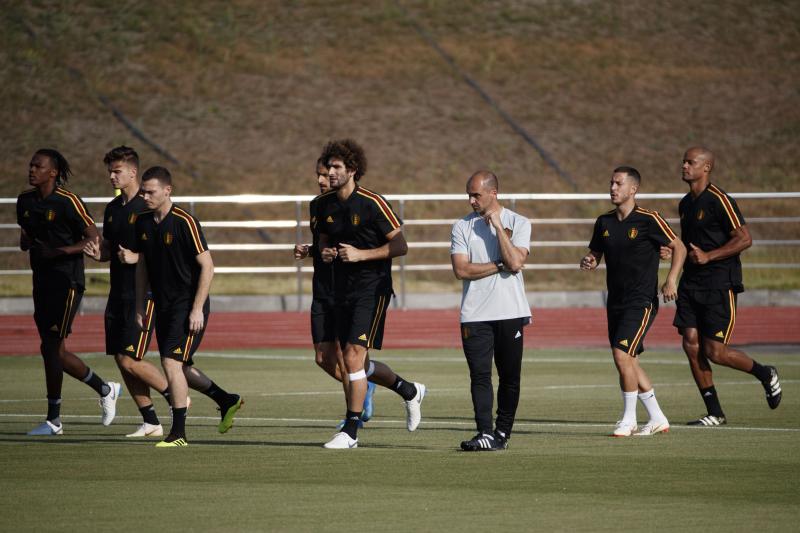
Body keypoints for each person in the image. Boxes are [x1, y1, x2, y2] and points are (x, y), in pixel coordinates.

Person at [315, 139, 425, 449]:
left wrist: (362, 255)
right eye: (329, 167)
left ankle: (350, 431)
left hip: (372, 290)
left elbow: (400, 245)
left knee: (352, 356)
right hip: (339, 291)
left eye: (337, 167)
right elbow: (324, 242)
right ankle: (409, 390)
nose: (331, 172)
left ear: (352, 170)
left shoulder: (372, 202)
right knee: (347, 361)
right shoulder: (325, 205)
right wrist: (322, 252)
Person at [133, 166, 243, 447]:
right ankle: (225, 399)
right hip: (162, 305)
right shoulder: (143, 222)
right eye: (143, 191)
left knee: (170, 362)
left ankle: (178, 433)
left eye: (150, 191)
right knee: (180, 366)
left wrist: (197, 309)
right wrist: (139, 305)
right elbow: (142, 265)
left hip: (188, 305)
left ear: (167, 191)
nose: (144, 196)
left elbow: (208, 266)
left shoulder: (185, 221)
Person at [16, 148, 121, 436]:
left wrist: (60, 251)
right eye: (30, 165)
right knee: (51, 349)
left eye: (38, 166)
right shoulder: (24, 201)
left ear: (52, 172)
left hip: (68, 282)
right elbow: (26, 238)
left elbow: (93, 238)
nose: (31, 170)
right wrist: (28, 242)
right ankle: (104, 388)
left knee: (51, 346)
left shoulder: (69, 201)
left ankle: (54, 420)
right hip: (42, 281)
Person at [673, 147, 781, 426]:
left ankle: (764, 373)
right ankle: (715, 412)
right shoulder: (685, 204)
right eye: (683, 161)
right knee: (690, 345)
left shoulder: (720, 200)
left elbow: (744, 239)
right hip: (691, 283)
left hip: (720, 283)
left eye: (690, 162)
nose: (684, 166)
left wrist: (709, 256)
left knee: (715, 351)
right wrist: (673, 252)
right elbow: (689, 243)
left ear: (706, 167)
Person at [581, 166, 686, 437]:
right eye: (611, 183)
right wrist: (590, 260)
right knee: (630, 361)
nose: (613, 188)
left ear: (633, 189)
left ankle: (628, 419)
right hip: (614, 301)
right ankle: (658, 418)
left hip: (641, 301)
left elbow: (679, 247)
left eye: (618, 183)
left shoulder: (649, 219)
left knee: (621, 355)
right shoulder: (604, 222)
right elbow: (596, 252)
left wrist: (671, 280)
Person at [83, 146, 177, 437]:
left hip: (144, 293)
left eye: (117, 171)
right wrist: (100, 253)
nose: (111, 176)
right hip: (118, 291)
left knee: (129, 358)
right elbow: (112, 249)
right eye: (109, 171)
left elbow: (165, 250)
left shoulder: (147, 206)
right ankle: (150, 421)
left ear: (133, 172)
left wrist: (139, 258)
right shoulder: (113, 209)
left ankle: (176, 397)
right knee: (120, 358)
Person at [450, 170, 531, 451]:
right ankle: (485, 432)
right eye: (469, 195)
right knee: (480, 375)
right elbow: (461, 270)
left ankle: (502, 434)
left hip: (510, 311)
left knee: (509, 376)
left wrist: (498, 228)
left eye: (476, 194)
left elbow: (516, 263)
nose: (471, 200)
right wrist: (498, 265)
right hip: (474, 314)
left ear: (493, 193)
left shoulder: (518, 222)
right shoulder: (461, 227)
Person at [293, 156, 376, 427]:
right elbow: (325, 245)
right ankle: (365, 383)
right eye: (319, 174)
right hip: (322, 289)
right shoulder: (317, 206)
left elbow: (353, 246)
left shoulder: (356, 204)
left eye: (325, 173)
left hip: (347, 290)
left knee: (346, 356)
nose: (321, 179)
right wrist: (310, 250)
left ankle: (353, 415)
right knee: (322, 357)